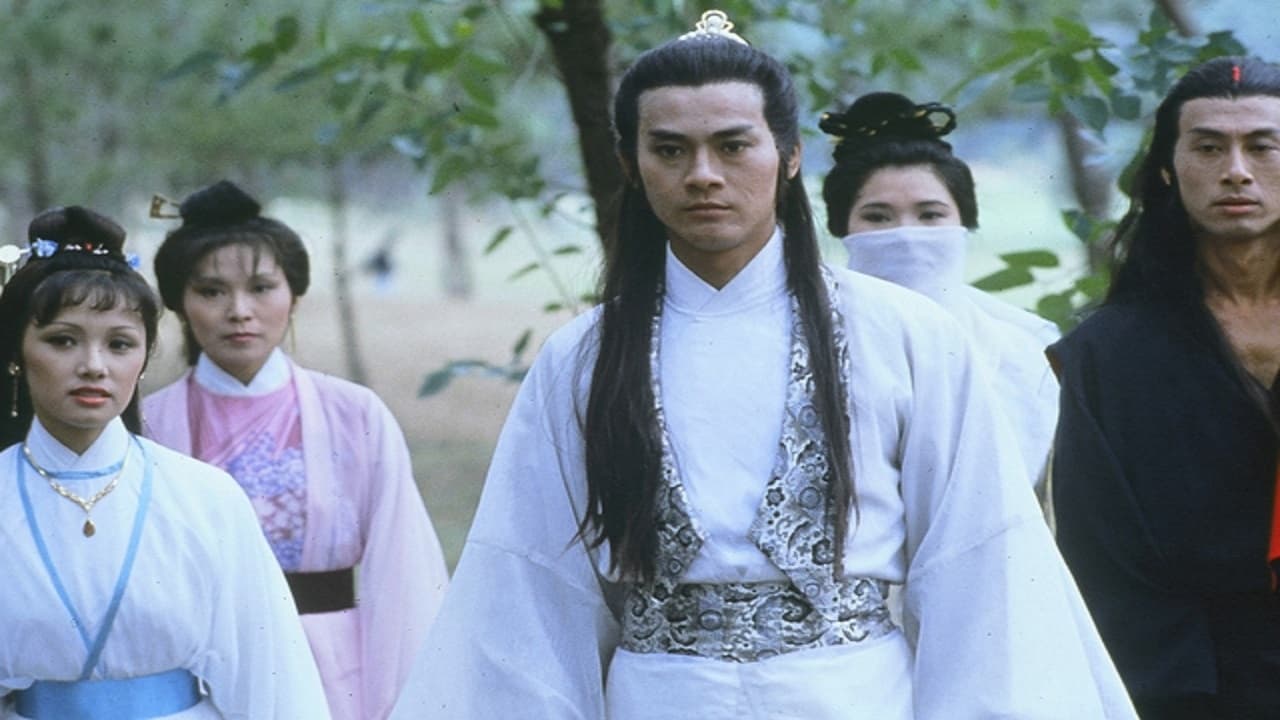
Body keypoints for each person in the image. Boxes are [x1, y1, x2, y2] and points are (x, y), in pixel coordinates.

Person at [392, 10, 1135, 719]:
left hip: (852, 695)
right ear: (630, 164)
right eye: (670, 150)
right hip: (660, 698)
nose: (703, 175)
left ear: (789, 155)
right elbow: (530, 587)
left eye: (732, 146)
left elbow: (978, 566)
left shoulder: (904, 335)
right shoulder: (583, 357)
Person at [0, 206, 329, 718]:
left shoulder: (206, 496)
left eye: (119, 344)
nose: (94, 366)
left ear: (143, 358)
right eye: (63, 340)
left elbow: (272, 681)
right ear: (16, 355)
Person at [142, 180, 449, 720]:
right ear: (179, 303)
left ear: (295, 295)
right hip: (200, 671)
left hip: (334, 667)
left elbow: (404, 574)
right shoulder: (149, 424)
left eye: (262, 288)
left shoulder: (355, 415)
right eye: (211, 291)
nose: (240, 310)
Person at [1049, 55, 1280, 719]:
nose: (1236, 170)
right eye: (1208, 147)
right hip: (1194, 684)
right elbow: (1104, 564)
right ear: (1166, 170)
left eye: (1262, 146)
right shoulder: (1107, 355)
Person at [820, 91, 1060, 491]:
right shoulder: (807, 342)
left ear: (963, 222)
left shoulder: (1024, 350)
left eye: (930, 215)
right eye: (878, 217)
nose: (906, 235)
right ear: (842, 227)